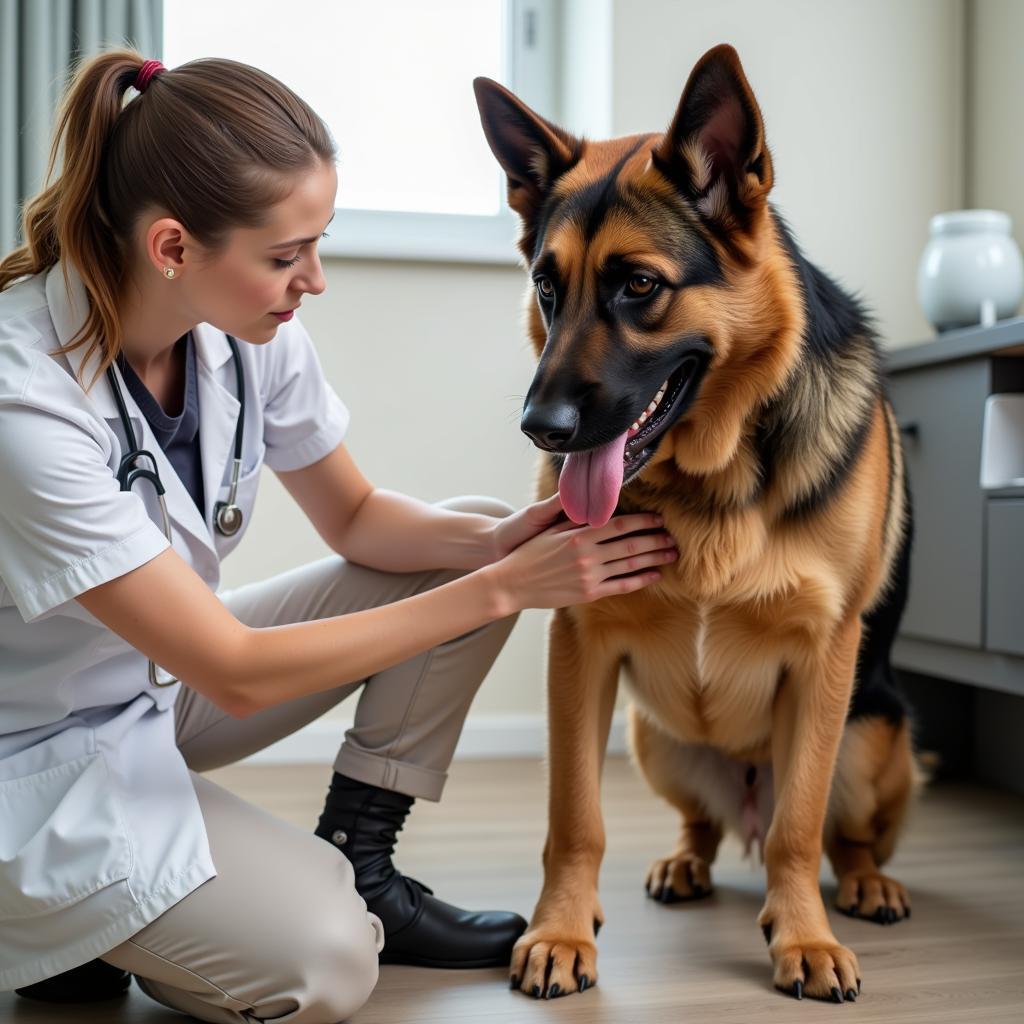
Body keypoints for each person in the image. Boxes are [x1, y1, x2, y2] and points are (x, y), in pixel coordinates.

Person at [0, 50, 679, 1023]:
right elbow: (232, 669)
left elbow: (356, 517)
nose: (312, 280)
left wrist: (502, 550)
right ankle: (78, 925)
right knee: (323, 966)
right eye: (286, 255)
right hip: (32, 758)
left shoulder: (240, 331)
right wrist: (504, 588)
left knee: (475, 535)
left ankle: (363, 854)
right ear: (172, 248)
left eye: (316, 244)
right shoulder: (23, 396)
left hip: (142, 693)